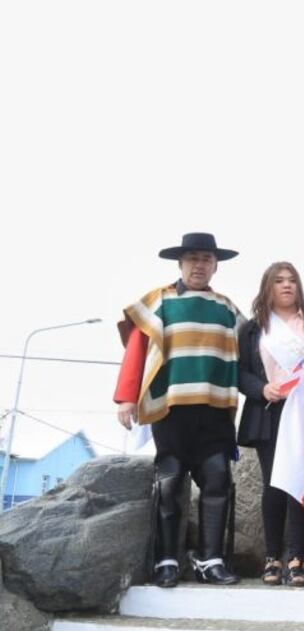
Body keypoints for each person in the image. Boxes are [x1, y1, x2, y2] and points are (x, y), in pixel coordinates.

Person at [114, 232, 243, 587]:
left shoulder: (228, 308)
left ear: (215, 265)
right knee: (170, 483)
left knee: (217, 479)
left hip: (215, 408)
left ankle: (210, 561)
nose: (199, 265)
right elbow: (137, 349)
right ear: (180, 263)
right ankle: (166, 561)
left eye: (206, 259)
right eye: (192, 258)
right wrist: (126, 396)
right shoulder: (159, 301)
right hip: (171, 409)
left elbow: (250, 354)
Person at [237, 262, 304, 587]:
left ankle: (297, 558)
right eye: (279, 281)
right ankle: (273, 557)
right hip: (269, 411)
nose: (286, 286)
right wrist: (260, 389)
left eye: (292, 281)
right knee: (274, 484)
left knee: (300, 484)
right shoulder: (254, 328)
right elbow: (240, 372)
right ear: (267, 287)